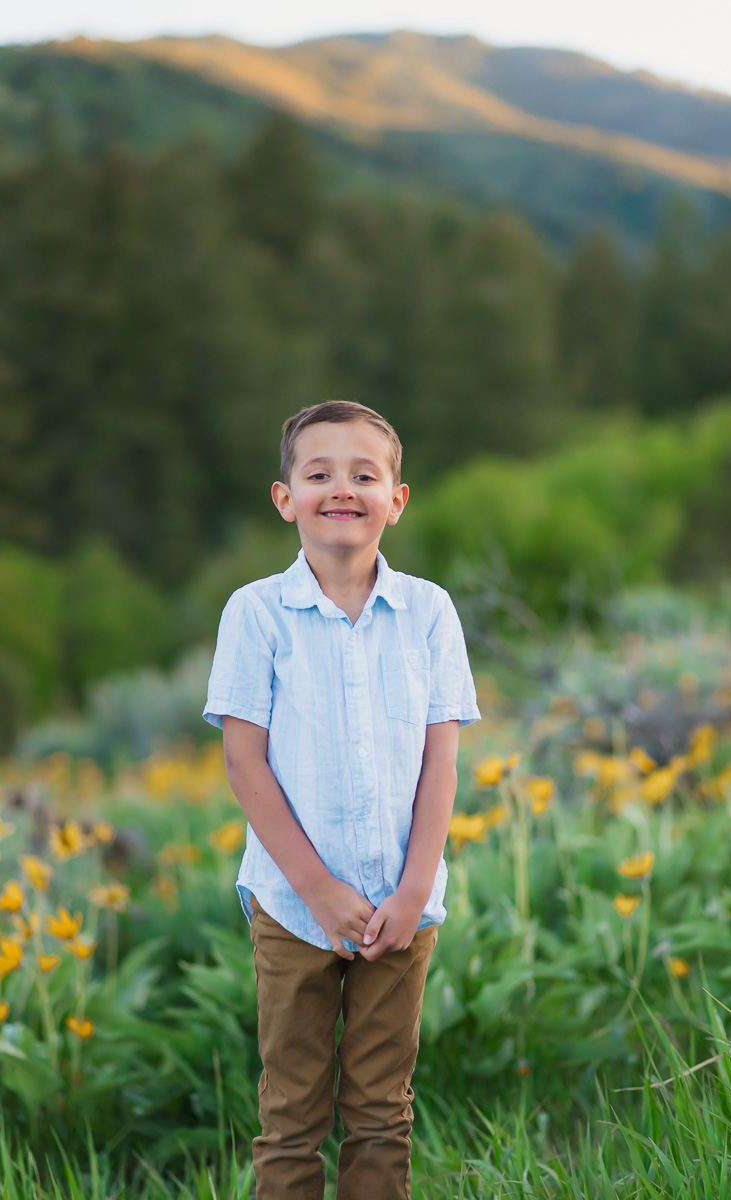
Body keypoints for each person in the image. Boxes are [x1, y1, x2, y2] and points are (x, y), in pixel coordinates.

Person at [202, 400, 480, 1200]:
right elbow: (244, 764)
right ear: (285, 497)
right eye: (318, 473)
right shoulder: (256, 613)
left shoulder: (428, 611)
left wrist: (414, 889)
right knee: (291, 1114)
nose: (342, 489)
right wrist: (320, 891)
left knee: (381, 1112)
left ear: (396, 499)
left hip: (402, 905)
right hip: (294, 904)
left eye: (364, 475)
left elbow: (440, 763)